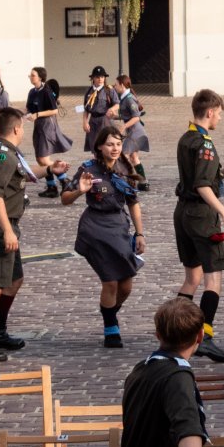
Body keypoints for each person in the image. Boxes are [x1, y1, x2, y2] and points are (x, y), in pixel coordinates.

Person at [0, 107, 69, 363]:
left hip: (7, 226)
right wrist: (7, 230)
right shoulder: (3, 156)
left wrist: (50, 170)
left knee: (14, 280)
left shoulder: (8, 153)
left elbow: (21, 174)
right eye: (22, 127)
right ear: (16, 129)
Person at [174, 89, 224, 363]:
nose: (219, 119)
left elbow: (197, 175)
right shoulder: (204, 142)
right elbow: (202, 185)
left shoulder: (186, 137)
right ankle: (205, 335)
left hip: (182, 212)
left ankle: (177, 331)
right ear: (210, 111)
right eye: (219, 114)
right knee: (213, 278)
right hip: (202, 215)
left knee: (192, 278)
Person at [61, 125, 146, 348]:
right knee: (110, 281)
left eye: (118, 144)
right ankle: (111, 328)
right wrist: (80, 190)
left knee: (126, 285)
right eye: (110, 144)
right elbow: (65, 198)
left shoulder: (125, 168)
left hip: (118, 227)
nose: (115, 148)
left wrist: (140, 233)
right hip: (95, 229)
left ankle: (109, 312)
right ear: (99, 146)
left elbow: (133, 203)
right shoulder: (88, 169)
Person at [121, 298, 210, 447]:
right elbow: (189, 432)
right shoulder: (178, 377)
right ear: (200, 335)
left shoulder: (140, 369)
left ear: (158, 335)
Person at [26, 66, 73, 199]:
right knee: (39, 158)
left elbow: (54, 110)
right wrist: (18, 116)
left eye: (33, 75)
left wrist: (37, 114)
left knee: (43, 158)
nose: (30, 77)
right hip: (38, 125)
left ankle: (65, 180)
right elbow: (28, 108)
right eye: (30, 75)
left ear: (40, 77)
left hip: (47, 125)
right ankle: (52, 186)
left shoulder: (46, 91)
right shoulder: (32, 91)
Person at [114, 74, 151, 189]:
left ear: (121, 85)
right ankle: (143, 183)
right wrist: (114, 116)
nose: (114, 87)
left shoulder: (129, 99)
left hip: (135, 132)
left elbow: (136, 117)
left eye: (116, 84)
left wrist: (124, 126)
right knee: (134, 157)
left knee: (123, 156)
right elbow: (127, 115)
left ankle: (125, 181)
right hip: (134, 131)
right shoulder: (125, 98)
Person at [82, 66, 119, 152]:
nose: (100, 79)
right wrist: (84, 122)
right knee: (94, 145)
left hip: (104, 119)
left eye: (102, 77)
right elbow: (86, 109)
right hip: (93, 120)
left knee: (105, 145)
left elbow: (117, 104)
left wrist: (112, 109)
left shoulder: (109, 90)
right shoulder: (88, 91)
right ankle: (98, 163)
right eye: (97, 77)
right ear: (93, 78)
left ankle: (106, 164)